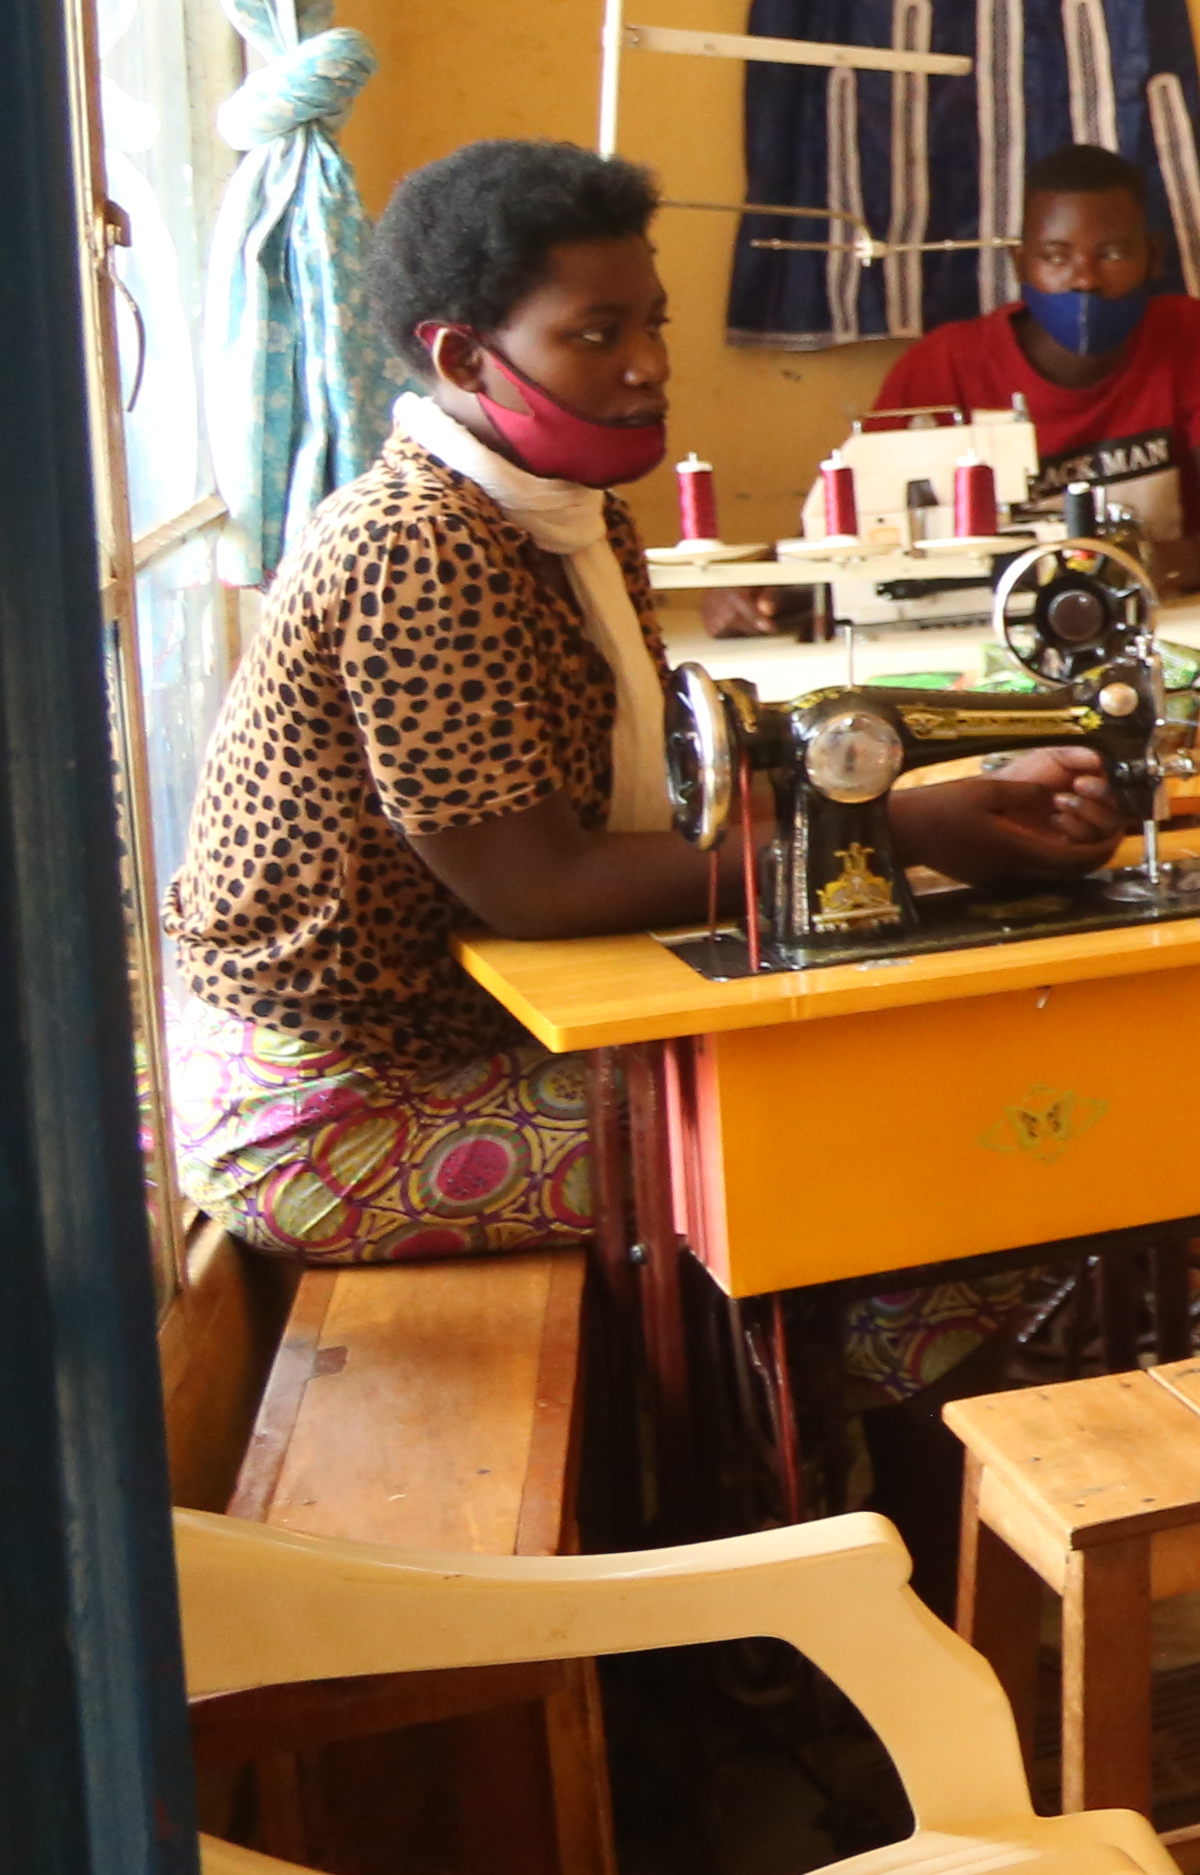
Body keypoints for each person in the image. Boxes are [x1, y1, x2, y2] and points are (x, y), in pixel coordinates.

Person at [161, 141, 1120, 1263]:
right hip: (335, 1105)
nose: (649, 366)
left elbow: (676, 782)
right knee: (872, 1127)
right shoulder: (415, 544)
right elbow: (540, 885)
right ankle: (860, 1426)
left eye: (652, 323)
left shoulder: (569, 515)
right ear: (465, 358)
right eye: (596, 334)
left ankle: (848, 1412)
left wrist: (959, 786)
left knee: (898, 1071)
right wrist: (898, 827)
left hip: (475, 1030)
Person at [871, 140, 1200, 587]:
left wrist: (1126, 571)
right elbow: (858, 536)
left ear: (1153, 257)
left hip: (1158, 619)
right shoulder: (944, 366)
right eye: (1055, 256)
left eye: (1112, 254)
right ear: (1020, 263)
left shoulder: (1185, 335)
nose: (1085, 279)